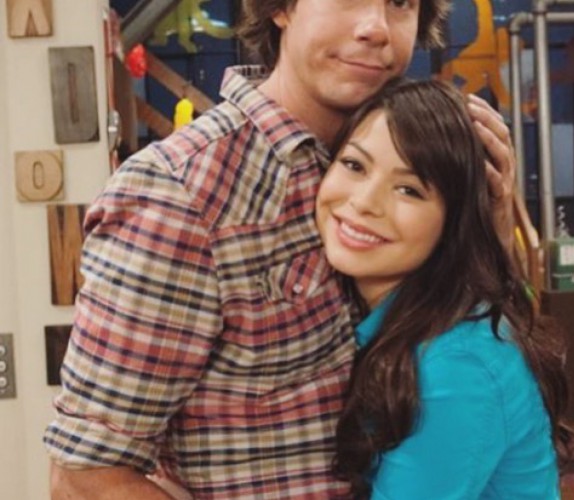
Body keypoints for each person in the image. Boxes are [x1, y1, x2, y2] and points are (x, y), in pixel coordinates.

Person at [44, 1, 517, 498]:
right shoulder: (182, 193)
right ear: (280, 9)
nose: (377, 27)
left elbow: (485, 361)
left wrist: (494, 230)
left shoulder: (416, 162)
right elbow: (84, 476)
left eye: (401, 3)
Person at [315, 79, 569, 499]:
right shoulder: (407, 318)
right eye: (355, 165)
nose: (363, 202)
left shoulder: (455, 364)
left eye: (409, 190)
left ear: (457, 221)